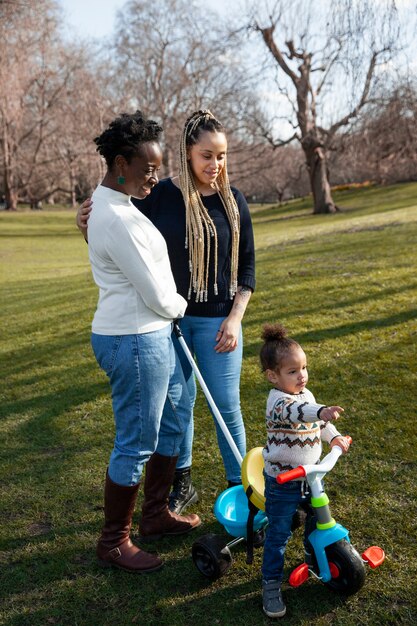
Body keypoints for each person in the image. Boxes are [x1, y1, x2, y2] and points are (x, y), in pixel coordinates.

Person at [77, 109, 256, 514]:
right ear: (187, 153)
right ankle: (182, 483)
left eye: (222, 156)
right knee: (180, 405)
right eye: (207, 155)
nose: (215, 164)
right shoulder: (158, 195)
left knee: (225, 406)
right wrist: (84, 227)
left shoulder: (235, 201)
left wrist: (234, 318)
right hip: (168, 323)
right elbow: (118, 241)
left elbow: (247, 268)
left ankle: (244, 489)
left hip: (218, 322)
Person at [86, 111, 200, 575]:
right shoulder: (114, 217)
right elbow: (156, 293)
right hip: (133, 339)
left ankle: (154, 514)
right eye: (146, 168)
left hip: (152, 335)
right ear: (119, 164)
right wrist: (181, 306)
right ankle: (114, 541)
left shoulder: (118, 204)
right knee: (136, 442)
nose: (155, 177)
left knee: (174, 421)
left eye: (157, 167)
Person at [259, 323, 351, 618]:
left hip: (310, 477)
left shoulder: (306, 394)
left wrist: (333, 435)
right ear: (273, 376)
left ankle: (316, 557)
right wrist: (320, 411)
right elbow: (298, 414)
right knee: (279, 534)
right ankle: (271, 584)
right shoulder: (278, 402)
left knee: (316, 519)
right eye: (293, 371)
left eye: (304, 368)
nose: (302, 375)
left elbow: (319, 423)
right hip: (283, 480)